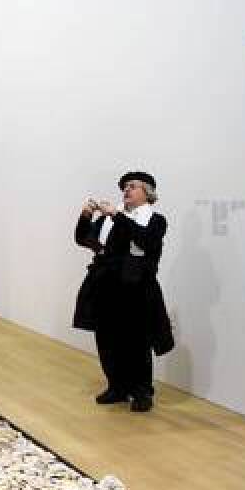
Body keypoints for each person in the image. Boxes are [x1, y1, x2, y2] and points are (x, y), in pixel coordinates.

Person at [73, 171, 174, 412]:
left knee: (137, 340)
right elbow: (83, 239)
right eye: (124, 187)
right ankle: (117, 386)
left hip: (137, 288)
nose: (126, 190)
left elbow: (145, 241)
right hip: (106, 286)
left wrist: (117, 216)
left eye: (132, 186)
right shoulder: (110, 219)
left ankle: (141, 391)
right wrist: (86, 216)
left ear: (147, 193)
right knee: (107, 338)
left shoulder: (155, 220)